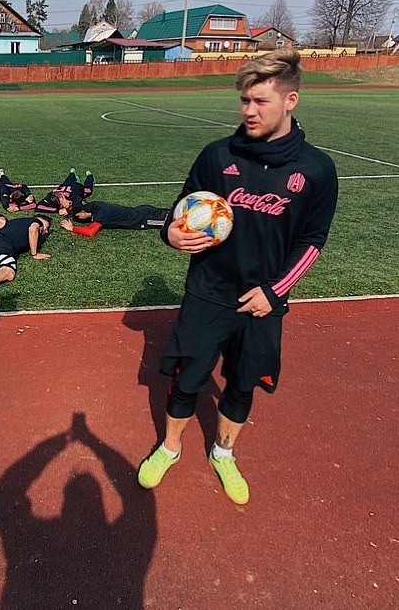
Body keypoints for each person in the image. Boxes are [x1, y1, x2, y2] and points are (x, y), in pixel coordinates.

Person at [137, 48, 338, 505]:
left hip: (263, 300)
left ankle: (223, 452)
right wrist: (171, 233)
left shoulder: (316, 170)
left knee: (243, 383)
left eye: (261, 101)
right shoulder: (217, 155)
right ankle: (169, 447)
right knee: (188, 379)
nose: (249, 111)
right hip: (208, 291)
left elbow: (313, 241)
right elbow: (183, 208)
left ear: (291, 101)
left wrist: (275, 291)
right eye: (245, 100)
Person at [60, 200, 170, 237]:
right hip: (143, 210)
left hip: (144, 219)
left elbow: (90, 232)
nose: (79, 218)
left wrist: (72, 228)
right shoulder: (95, 205)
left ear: (83, 212)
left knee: (172, 221)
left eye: (78, 216)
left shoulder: (99, 214)